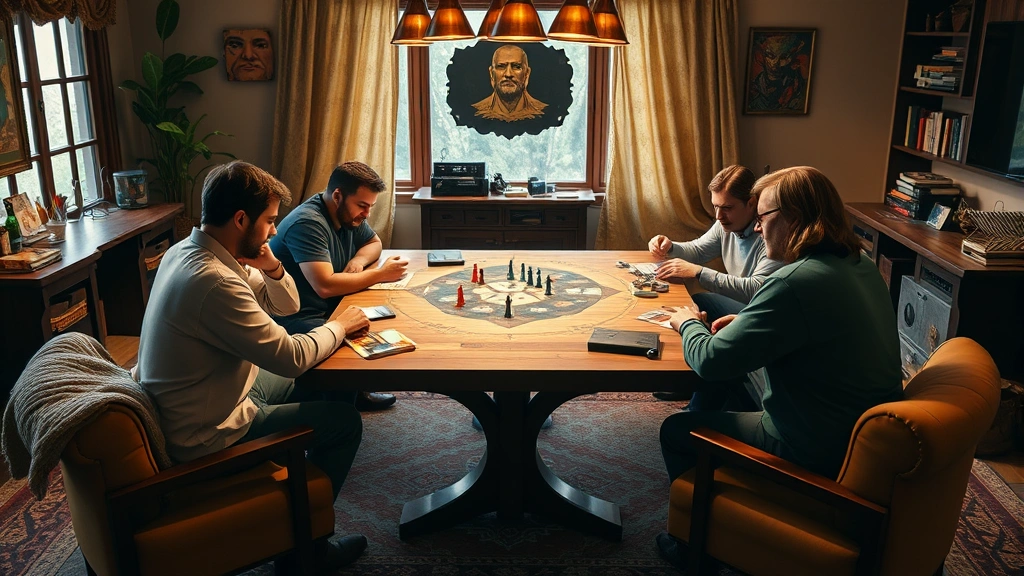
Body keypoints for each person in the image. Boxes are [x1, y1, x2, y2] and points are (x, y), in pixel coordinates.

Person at [654, 166, 903, 568]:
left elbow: (711, 362)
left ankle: (693, 545)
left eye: (764, 218)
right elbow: (815, 329)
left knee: (677, 429)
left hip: (812, 443)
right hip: (855, 431)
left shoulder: (792, 281)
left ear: (796, 219)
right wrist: (749, 324)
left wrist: (686, 323)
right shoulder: (859, 264)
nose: (757, 230)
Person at [136, 160, 370, 569]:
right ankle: (307, 550)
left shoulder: (190, 252)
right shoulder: (215, 281)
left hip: (220, 393)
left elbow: (288, 305)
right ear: (241, 219)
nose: (275, 231)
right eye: (270, 221)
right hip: (211, 433)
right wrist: (340, 325)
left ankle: (299, 492)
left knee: (329, 372)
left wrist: (272, 265)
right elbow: (291, 357)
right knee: (345, 421)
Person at [269, 161, 407, 411]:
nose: (367, 214)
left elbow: (374, 242)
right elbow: (325, 285)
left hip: (328, 306)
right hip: (296, 317)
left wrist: (358, 260)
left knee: (385, 318)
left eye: (370, 207)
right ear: (338, 196)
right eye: (363, 206)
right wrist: (380, 274)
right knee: (357, 341)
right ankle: (337, 413)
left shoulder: (346, 214)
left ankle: (355, 392)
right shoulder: (308, 222)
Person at [648, 165, 782, 405]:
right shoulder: (726, 225)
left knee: (699, 306)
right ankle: (690, 379)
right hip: (746, 306)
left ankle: (704, 393)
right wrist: (669, 246)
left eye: (727, 208)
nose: (719, 216)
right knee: (697, 303)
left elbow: (757, 289)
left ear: (752, 204)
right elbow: (699, 249)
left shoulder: (771, 234)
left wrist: (699, 273)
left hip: (762, 312)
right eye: (716, 207)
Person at [471, 45, 548, 122]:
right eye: (501, 66)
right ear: (491, 74)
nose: (508, 74)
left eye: (516, 67)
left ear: (526, 74)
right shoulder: (475, 110)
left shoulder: (543, 110)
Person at [746, 33, 807, 112]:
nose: (775, 63)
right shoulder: (756, 84)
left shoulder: (796, 84)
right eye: (771, 55)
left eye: (783, 57)